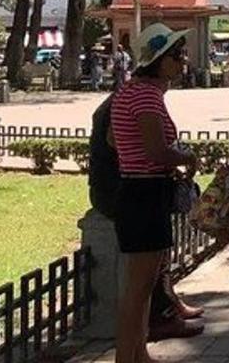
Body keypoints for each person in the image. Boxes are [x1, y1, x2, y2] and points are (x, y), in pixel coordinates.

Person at [109, 24, 197, 363]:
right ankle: (124, 357)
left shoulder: (129, 93)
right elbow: (156, 150)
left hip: (139, 189)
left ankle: (138, 352)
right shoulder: (145, 96)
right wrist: (186, 157)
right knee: (138, 287)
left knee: (145, 284)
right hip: (144, 193)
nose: (182, 61)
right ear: (158, 61)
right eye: (177, 56)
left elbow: (117, 141)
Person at [88, 94, 204, 342]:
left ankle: (168, 302)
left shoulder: (126, 100)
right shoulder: (132, 101)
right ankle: (160, 316)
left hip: (131, 188)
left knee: (160, 250)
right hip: (119, 191)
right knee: (145, 268)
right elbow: (124, 144)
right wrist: (171, 158)